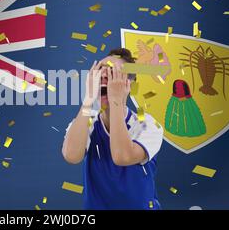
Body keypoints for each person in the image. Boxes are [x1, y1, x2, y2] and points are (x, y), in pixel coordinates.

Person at [62, 48, 164, 210]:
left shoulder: (147, 125)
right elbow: (71, 156)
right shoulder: (86, 121)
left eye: (113, 72)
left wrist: (116, 100)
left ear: (128, 84)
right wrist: (88, 101)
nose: (103, 74)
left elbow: (122, 156)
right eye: (100, 70)